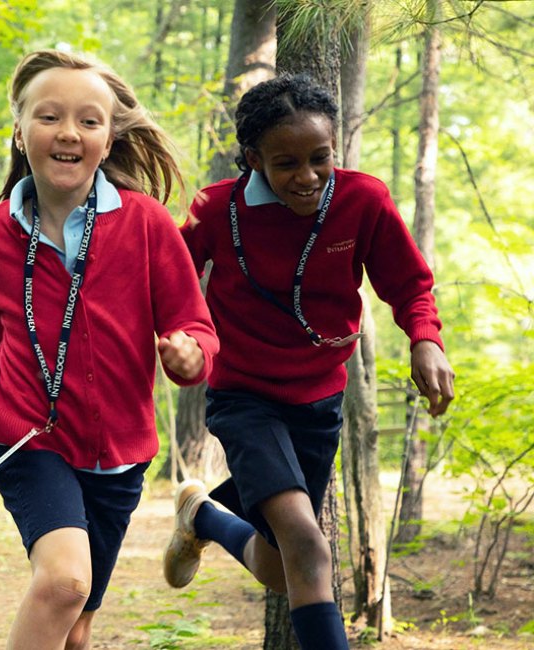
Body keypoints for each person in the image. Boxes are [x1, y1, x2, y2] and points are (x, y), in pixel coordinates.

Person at [0, 49, 220, 650]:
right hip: (26, 435)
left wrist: (192, 352)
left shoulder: (145, 223)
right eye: (49, 116)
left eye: (89, 121)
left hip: (118, 454)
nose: (69, 132)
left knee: (77, 626)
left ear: (109, 140)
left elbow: (194, 322)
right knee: (63, 585)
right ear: (19, 130)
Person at [163, 73, 455, 650]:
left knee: (280, 568)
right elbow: (165, 283)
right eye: (286, 163)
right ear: (252, 159)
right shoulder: (215, 210)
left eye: (320, 158)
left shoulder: (362, 200)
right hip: (244, 395)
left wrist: (425, 338)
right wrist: (176, 337)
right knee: (309, 545)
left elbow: (409, 284)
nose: (308, 177)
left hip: (318, 399)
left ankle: (201, 516)